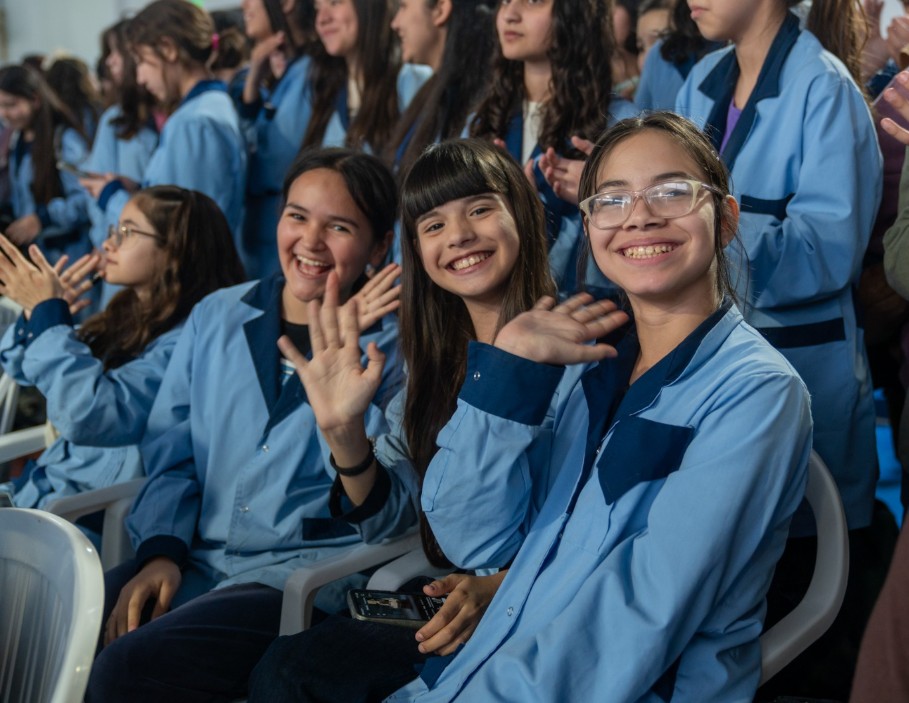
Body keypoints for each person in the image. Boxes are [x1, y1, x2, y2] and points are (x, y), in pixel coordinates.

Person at [382, 111, 811, 702]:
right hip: (484, 669)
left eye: (671, 192)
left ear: (728, 219)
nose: (639, 215)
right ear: (588, 230)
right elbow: (475, 541)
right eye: (612, 200)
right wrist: (507, 373)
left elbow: (637, 621)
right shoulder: (589, 365)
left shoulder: (758, 393)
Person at [85, 147, 412, 702]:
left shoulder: (397, 349)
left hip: (296, 574)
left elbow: (390, 507)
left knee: (127, 668)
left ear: (380, 245)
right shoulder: (218, 314)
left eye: (339, 226)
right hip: (197, 557)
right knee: (67, 617)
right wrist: (160, 550)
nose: (310, 242)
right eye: (296, 216)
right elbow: (174, 449)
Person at [247, 138, 557, 701]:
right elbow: (391, 515)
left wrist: (498, 584)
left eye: (480, 209)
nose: (458, 235)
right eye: (432, 225)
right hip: (447, 598)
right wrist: (344, 434)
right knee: (288, 667)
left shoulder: (575, 350)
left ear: (526, 214)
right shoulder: (430, 367)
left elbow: (592, 527)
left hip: (541, 606)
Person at [675, 0, 884, 697]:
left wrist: (701, 235)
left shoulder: (823, 89)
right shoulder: (702, 78)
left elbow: (827, 250)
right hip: (708, 368)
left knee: (799, 598)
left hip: (802, 366)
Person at [0, 186, 245, 514]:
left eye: (127, 231)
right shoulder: (126, 313)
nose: (107, 243)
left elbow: (87, 414)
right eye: (114, 229)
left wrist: (49, 318)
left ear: (175, 250)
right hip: (44, 490)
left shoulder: (188, 342)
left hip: (83, 515)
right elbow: (20, 368)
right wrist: (37, 316)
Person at [469, 0, 638, 297]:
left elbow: (648, 220)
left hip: (591, 312)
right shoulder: (483, 121)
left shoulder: (621, 122)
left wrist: (603, 193)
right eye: (505, 2)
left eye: (533, 1)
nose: (510, 14)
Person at [80, 0, 247, 249]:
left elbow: (179, 229)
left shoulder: (193, 122)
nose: (140, 77)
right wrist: (141, 189)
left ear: (168, 50)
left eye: (142, 62)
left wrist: (112, 197)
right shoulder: (205, 108)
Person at [240, 0, 318, 279]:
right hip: (264, 236)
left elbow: (278, 160)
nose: (243, 4)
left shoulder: (310, 72)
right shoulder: (291, 72)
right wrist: (252, 86)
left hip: (281, 235)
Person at [84, 19, 160, 307]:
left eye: (117, 52)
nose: (110, 61)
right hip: (122, 253)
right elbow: (96, 195)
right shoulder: (115, 120)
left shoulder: (173, 119)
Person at [300, 0, 431, 155]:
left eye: (334, 3)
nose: (322, 19)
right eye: (317, 8)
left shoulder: (410, 81)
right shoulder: (324, 89)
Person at [385, 0, 495, 175]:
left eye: (403, 7)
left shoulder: (478, 102)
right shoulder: (428, 91)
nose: (395, 23)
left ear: (440, 9)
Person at [0, 64, 92, 265]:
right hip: (39, 259)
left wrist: (44, 218)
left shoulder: (65, 141)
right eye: (0, 106)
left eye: (11, 104)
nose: (4, 114)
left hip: (70, 259)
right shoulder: (17, 140)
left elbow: (87, 197)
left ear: (35, 99)